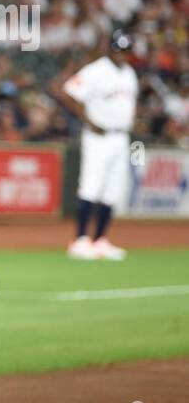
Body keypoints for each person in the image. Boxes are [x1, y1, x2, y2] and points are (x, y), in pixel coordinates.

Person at [52, 30, 139, 260]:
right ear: (109, 49)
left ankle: (100, 240)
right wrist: (89, 120)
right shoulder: (96, 70)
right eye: (119, 50)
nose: (122, 55)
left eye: (126, 51)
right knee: (91, 186)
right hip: (98, 137)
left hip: (121, 137)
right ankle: (80, 240)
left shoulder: (129, 73)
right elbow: (68, 92)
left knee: (112, 190)